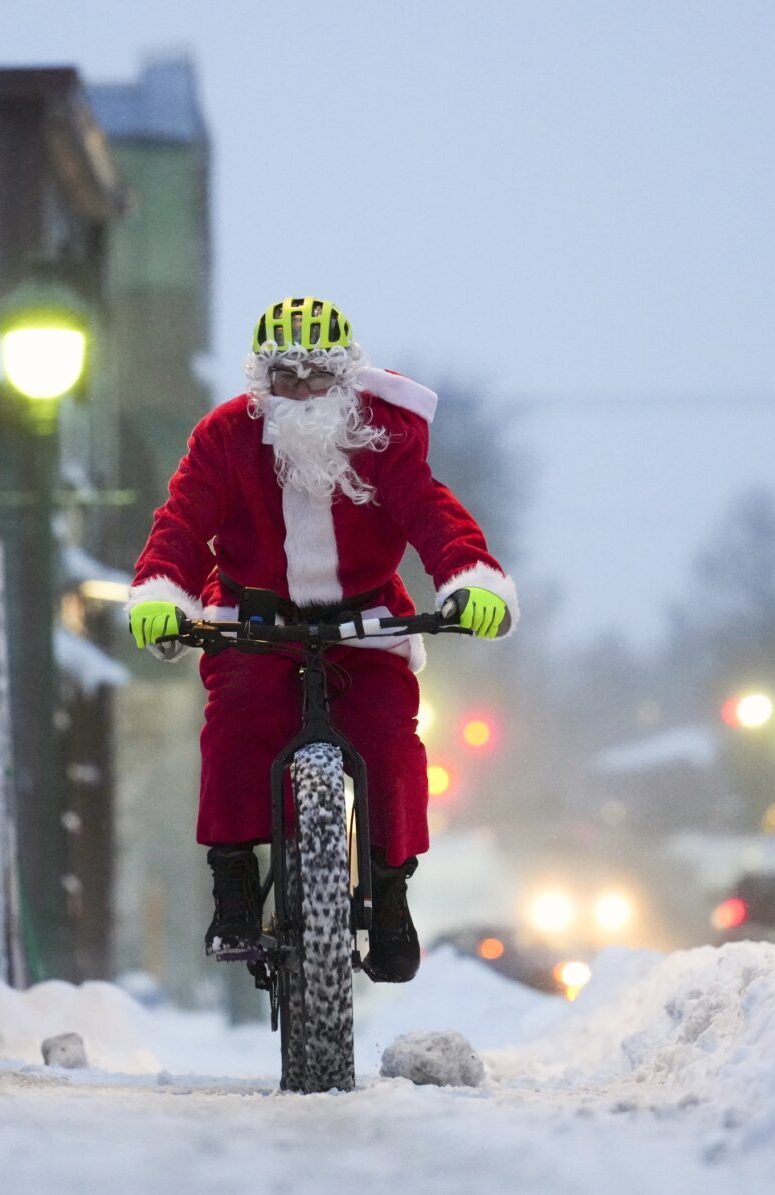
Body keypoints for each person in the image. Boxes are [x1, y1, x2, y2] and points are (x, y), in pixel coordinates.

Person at [126, 296, 516, 983]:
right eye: (287, 376)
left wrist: (468, 577)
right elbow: (182, 520)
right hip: (254, 623)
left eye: (319, 375)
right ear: (262, 380)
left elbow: (431, 511)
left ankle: (389, 893)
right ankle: (234, 885)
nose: (303, 391)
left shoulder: (382, 436)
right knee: (236, 724)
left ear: (346, 376)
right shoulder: (225, 437)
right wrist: (161, 591)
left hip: (363, 625)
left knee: (390, 739)